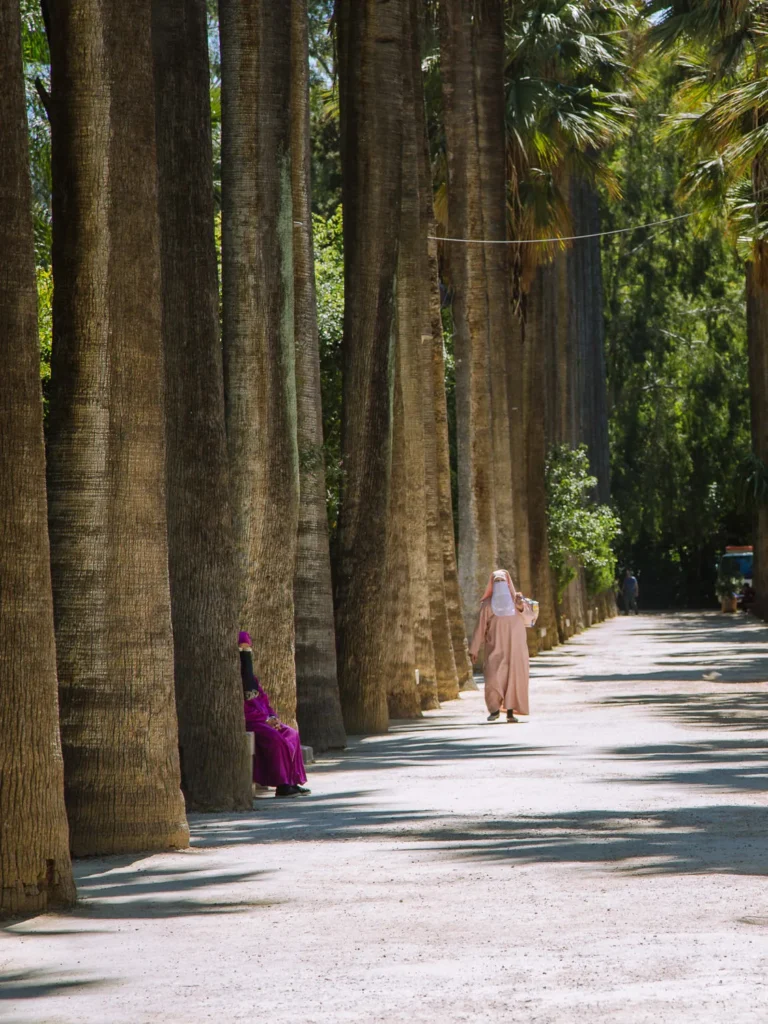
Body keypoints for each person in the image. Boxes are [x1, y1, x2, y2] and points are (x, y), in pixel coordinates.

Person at [239, 631, 310, 798]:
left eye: (247, 648)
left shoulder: (252, 680)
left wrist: (273, 718)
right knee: (276, 740)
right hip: (252, 722)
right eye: (241, 649)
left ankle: (293, 781)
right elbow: (243, 710)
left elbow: (264, 701)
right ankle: (282, 785)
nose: (245, 653)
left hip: (265, 720)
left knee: (291, 734)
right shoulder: (234, 680)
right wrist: (265, 720)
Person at [469, 569, 531, 723]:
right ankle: (494, 710)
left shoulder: (518, 601)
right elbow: (480, 628)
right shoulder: (487, 605)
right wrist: (474, 649)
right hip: (495, 649)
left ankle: (511, 712)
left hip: (516, 650)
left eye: (502, 581)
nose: (500, 584)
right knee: (493, 678)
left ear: (508, 583)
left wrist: (521, 606)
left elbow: (529, 619)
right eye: (496, 582)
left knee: (514, 679)